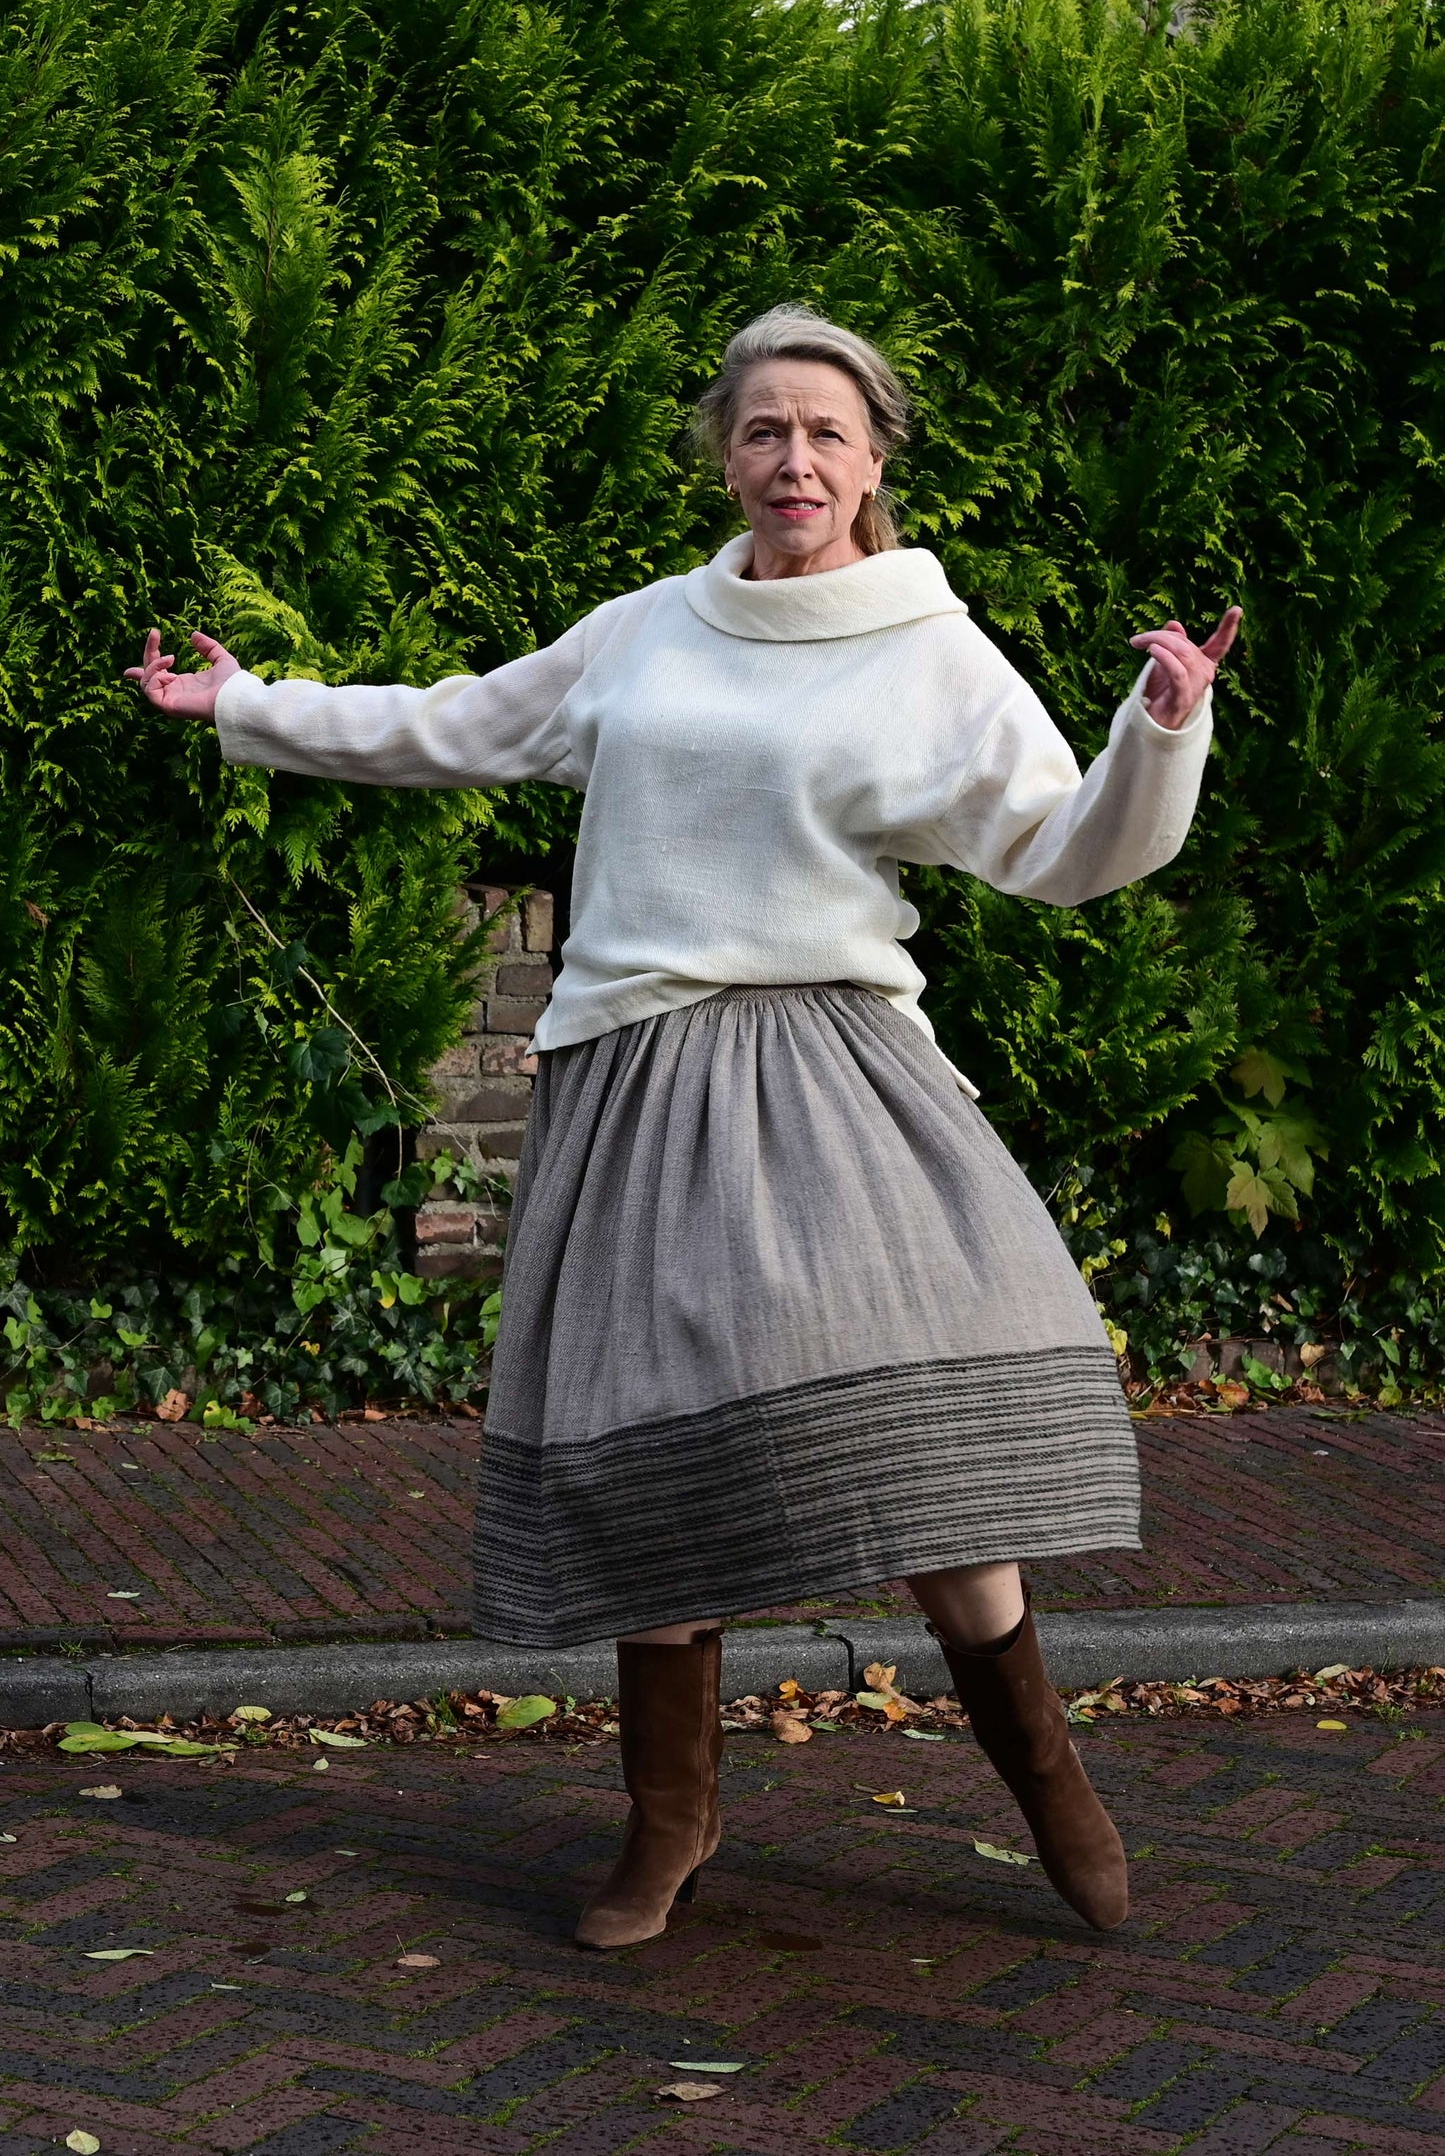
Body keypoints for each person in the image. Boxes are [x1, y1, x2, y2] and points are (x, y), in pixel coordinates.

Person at [128, 303, 1239, 1951]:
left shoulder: (929, 648)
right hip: (633, 1078)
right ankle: (670, 1825)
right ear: (722, 453)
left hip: (832, 1078)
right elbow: (462, 722)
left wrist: (1157, 731)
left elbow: (1065, 847)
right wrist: (251, 709)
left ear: (875, 463)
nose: (794, 459)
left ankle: (1048, 1781)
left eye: (828, 433)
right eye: (763, 430)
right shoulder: (649, 628)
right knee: (654, 1454)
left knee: (922, 1446)